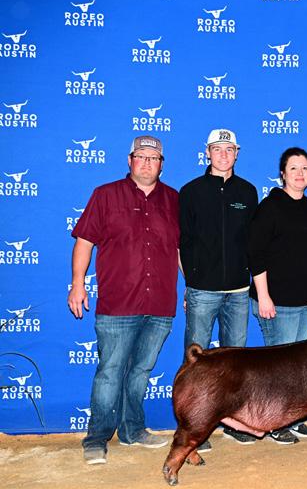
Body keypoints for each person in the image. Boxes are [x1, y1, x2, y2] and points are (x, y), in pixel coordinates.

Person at [67, 136, 179, 465]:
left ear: (161, 164)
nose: (147, 163)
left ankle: (133, 429)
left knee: (141, 371)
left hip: (160, 303)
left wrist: (191, 287)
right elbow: (84, 241)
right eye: (141, 156)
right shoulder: (105, 195)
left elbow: (179, 249)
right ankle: (97, 437)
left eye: (154, 158)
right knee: (110, 372)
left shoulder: (174, 199)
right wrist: (77, 284)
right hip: (118, 303)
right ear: (129, 161)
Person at [179, 129, 259, 450]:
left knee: (234, 364)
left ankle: (233, 424)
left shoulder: (248, 191)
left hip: (239, 291)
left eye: (229, 149)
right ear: (207, 152)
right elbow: (183, 242)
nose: (223, 154)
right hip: (202, 290)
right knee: (196, 362)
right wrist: (191, 283)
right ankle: (192, 428)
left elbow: (254, 241)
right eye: (217, 149)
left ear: (237, 153)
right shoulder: (191, 191)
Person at [248, 147, 307, 444]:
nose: (300, 173)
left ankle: (292, 418)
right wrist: (263, 295)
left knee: (298, 368)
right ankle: (273, 422)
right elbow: (255, 253)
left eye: (304, 168)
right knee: (278, 368)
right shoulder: (270, 206)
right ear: (283, 173)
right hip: (277, 301)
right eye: (293, 168)